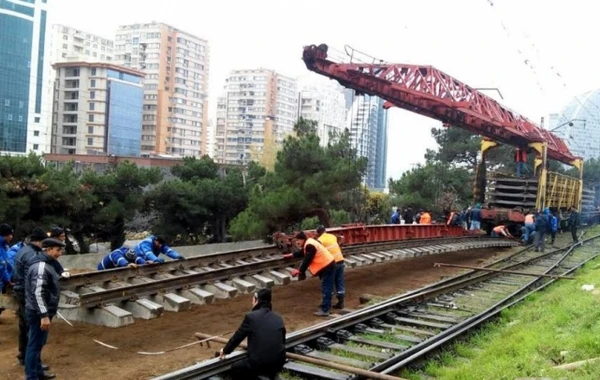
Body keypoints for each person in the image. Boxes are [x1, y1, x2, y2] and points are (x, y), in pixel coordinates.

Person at [220, 288, 286, 380]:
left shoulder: (251, 317)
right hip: (278, 363)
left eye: (252, 300)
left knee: (236, 368)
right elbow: (282, 341)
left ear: (256, 300)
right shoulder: (278, 318)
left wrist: (226, 350)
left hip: (259, 364)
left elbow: (238, 337)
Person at [24, 238, 65, 380]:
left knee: (38, 343)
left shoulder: (48, 264)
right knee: (34, 345)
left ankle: (37, 373)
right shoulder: (40, 266)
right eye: (57, 250)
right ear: (47, 249)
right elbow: (38, 293)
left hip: (42, 310)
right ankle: (32, 376)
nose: (60, 253)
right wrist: (44, 315)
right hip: (38, 313)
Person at [12, 227, 49, 368]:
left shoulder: (23, 250)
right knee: (33, 327)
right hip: (27, 294)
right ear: (39, 241)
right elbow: (32, 279)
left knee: (23, 325)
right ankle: (34, 362)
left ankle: (23, 356)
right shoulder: (32, 255)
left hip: (19, 291)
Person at [286, 231, 335, 316]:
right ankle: (325, 305)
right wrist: (292, 255)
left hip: (327, 266)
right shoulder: (308, 243)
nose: (297, 243)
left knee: (326, 287)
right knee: (326, 287)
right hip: (327, 265)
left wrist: (300, 270)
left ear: (302, 240)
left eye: (298, 240)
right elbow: (303, 252)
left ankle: (325, 310)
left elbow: (308, 259)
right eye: (296, 240)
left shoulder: (309, 245)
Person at [315, 226, 345, 309]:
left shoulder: (320, 240)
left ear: (318, 233)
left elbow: (318, 253)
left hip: (331, 264)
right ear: (325, 231)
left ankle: (326, 305)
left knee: (328, 284)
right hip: (340, 261)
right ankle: (341, 303)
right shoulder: (332, 236)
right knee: (339, 282)